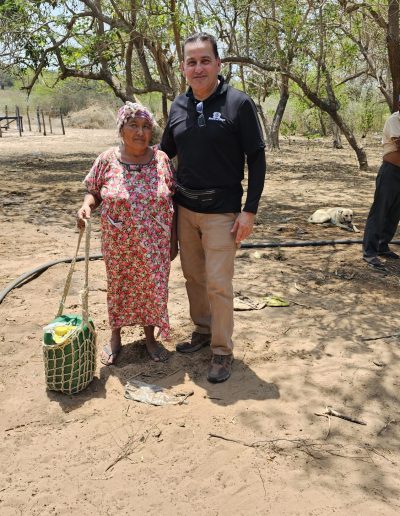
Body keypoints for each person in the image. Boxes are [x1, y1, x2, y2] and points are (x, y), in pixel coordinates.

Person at [161, 32, 266, 383]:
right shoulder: (178, 106)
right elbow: (164, 153)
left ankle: (222, 350)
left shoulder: (238, 103)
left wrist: (249, 210)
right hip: (184, 210)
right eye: (191, 62)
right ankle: (204, 331)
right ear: (183, 68)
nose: (198, 68)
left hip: (223, 211)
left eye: (205, 60)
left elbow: (257, 158)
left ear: (218, 64)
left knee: (219, 283)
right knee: (193, 277)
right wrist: (125, 160)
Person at [77, 102, 176, 365]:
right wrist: (86, 206)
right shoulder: (107, 159)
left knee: (153, 288)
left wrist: (173, 241)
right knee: (119, 288)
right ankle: (115, 337)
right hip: (119, 242)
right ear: (121, 129)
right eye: (133, 125)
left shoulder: (161, 160)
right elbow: (94, 191)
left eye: (145, 127)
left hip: (155, 243)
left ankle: (150, 339)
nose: (140, 132)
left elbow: (172, 199)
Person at [363, 99, 400, 270]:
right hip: (390, 171)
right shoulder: (394, 119)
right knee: (380, 211)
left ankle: (382, 245)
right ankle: (370, 252)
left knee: (395, 212)